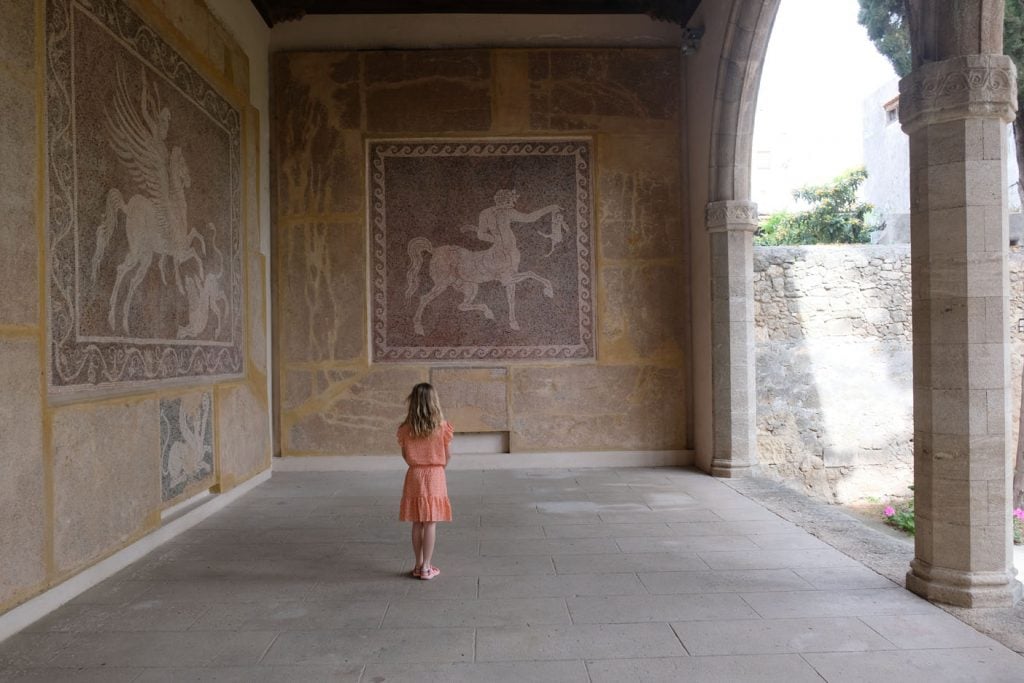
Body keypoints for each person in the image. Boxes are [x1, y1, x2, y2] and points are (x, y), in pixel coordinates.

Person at [397, 383, 453, 580]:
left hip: (414, 475)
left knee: (417, 522)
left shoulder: (405, 429)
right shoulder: (442, 427)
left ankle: (418, 564)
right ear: (434, 402)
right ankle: (427, 567)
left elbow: (405, 455)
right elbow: (447, 456)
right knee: (430, 523)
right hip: (435, 474)